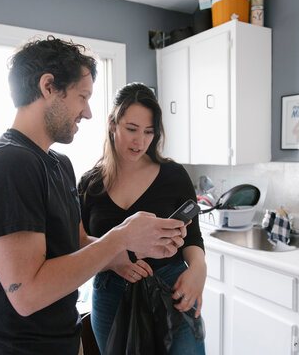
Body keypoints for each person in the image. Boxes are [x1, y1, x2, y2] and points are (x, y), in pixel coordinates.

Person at [0, 37, 189, 355]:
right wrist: (121, 237)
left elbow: (79, 241)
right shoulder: (8, 164)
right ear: (48, 87)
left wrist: (124, 256)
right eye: (82, 96)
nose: (87, 112)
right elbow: (26, 294)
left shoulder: (59, 163)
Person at [78, 83, 207, 354]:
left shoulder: (174, 175)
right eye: (132, 129)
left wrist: (198, 268)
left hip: (173, 291)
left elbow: (192, 237)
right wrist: (115, 261)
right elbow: (79, 243)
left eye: (149, 132)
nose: (140, 141)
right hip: (111, 292)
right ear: (113, 124)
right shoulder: (91, 184)